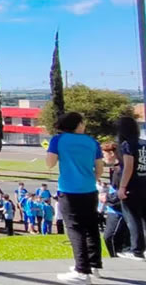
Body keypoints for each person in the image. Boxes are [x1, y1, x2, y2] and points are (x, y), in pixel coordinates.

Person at [47, 112, 104, 283]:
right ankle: (94, 265)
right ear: (78, 124)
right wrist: (89, 180)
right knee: (92, 228)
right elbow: (99, 169)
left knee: (75, 229)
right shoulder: (93, 142)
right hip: (89, 190)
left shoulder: (58, 140)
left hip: (69, 190)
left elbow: (50, 163)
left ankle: (82, 270)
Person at [117, 116, 146, 261]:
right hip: (144, 182)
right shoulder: (143, 143)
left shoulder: (127, 144)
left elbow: (128, 166)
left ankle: (137, 250)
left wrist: (122, 187)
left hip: (132, 185)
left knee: (133, 218)